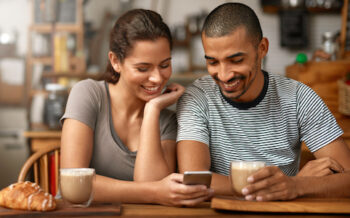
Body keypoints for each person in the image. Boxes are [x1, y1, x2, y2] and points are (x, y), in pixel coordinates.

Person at [177, 2, 350, 201]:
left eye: (236, 60)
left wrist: (296, 185)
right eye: (213, 62)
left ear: (262, 48)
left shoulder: (299, 98)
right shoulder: (197, 97)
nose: (224, 75)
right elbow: (195, 179)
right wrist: (282, 185)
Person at [60, 9, 213, 206]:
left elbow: (155, 188)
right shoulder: (88, 94)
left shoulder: (167, 119)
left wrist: (152, 110)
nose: (157, 78)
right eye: (143, 68)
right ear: (115, 61)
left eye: (165, 65)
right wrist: (154, 192)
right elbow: (74, 184)